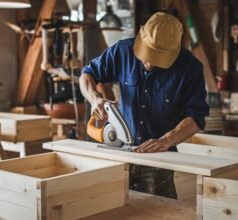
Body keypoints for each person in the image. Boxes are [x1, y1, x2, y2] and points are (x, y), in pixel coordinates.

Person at [79, 12, 209, 198]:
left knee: (160, 211)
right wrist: (94, 98)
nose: (148, 62)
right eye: (146, 54)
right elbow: (87, 74)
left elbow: (197, 117)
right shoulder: (124, 51)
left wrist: (166, 140)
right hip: (120, 151)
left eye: (156, 58)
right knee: (111, 207)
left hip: (160, 158)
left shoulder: (190, 68)